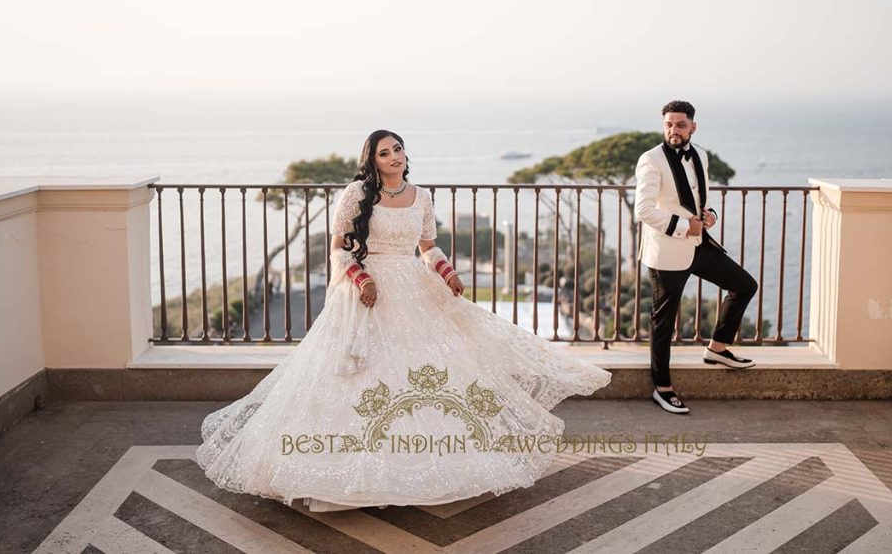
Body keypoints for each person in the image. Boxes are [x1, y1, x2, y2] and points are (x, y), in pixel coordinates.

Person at [196, 129, 611, 511]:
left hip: (412, 287)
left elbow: (428, 247)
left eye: (397, 148)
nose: (394, 156)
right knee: (361, 375)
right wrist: (360, 278)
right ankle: (347, 475)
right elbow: (338, 249)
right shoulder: (357, 193)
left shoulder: (422, 196)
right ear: (372, 160)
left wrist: (447, 272)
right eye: (384, 152)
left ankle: (431, 470)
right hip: (366, 292)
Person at [634, 101, 758, 415]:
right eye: (668, 125)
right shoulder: (650, 160)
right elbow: (643, 210)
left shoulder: (700, 155)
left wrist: (709, 214)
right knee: (664, 323)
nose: (674, 131)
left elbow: (699, 195)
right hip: (667, 251)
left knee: (744, 285)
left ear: (692, 126)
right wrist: (681, 226)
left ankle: (717, 349)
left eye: (680, 125)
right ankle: (662, 389)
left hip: (699, 244)